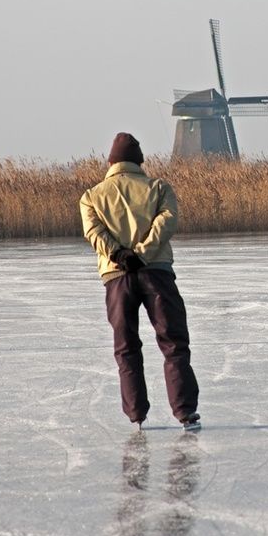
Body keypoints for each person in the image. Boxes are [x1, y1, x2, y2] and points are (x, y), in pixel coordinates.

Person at [80, 132, 200, 429]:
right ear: (140, 161)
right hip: (156, 273)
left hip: (116, 278)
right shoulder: (159, 188)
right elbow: (166, 222)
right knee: (173, 342)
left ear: (110, 162)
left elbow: (93, 232)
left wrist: (119, 255)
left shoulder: (92, 196)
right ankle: (184, 411)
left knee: (126, 346)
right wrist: (143, 254)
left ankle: (136, 413)